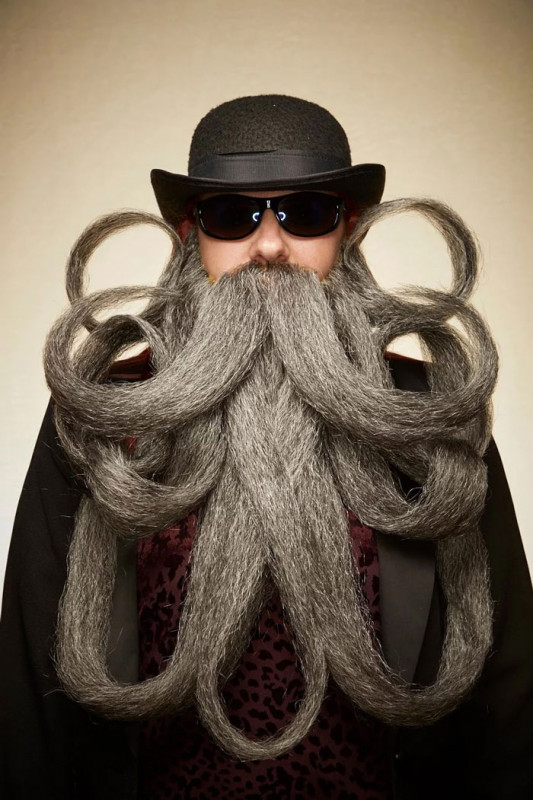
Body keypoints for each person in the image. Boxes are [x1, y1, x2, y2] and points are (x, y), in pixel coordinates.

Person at [1, 94, 532, 800]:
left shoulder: (431, 412)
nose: (271, 246)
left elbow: (509, 684)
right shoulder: (106, 412)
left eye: (306, 213)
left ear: (347, 230)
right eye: (232, 216)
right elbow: (29, 673)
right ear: (191, 235)